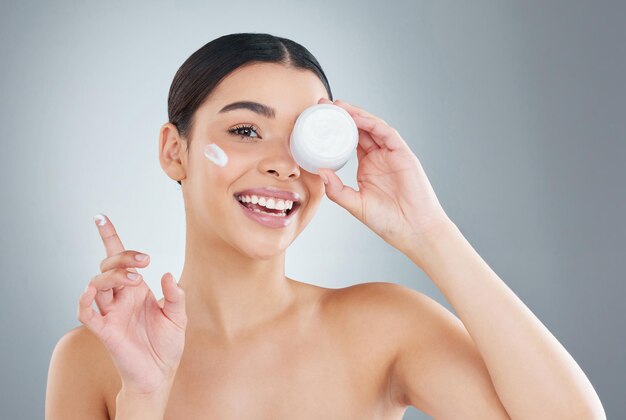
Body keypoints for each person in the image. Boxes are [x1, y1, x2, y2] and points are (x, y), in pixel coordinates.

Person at [45, 33, 605, 419]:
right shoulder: (93, 361)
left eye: (305, 138)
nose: (284, 164)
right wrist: (144, 395)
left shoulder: (383, 327)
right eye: (245, 130)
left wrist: (428, 230)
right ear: (174, 151)